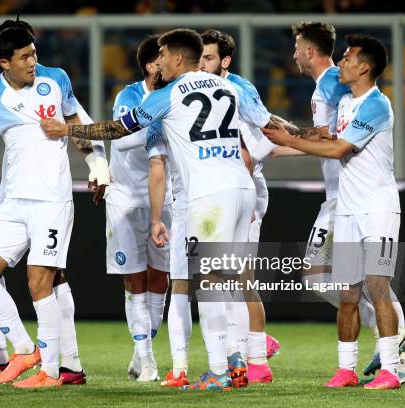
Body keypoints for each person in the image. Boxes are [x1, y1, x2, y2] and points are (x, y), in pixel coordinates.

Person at [42, 28, 255, 391]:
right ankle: (225, 361)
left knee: (201, 284)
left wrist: (68, 131)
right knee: (215, 283)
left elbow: (121, 130)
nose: (161, 60)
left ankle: (218, 370)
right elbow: (260, 133)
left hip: (201, 198)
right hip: (229, 191)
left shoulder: (169, 95)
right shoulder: (228, 87)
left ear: (174, 59)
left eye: (165, 53)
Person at [0, 19, 108, 385]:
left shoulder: (56, 80)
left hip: (51, 201)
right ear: (4, 62)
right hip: (11, 203)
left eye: (34, 53)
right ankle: (25, 350)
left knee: (40, 280)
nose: (32, 62)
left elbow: (77, 124)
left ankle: (53, 371)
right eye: (24, 57)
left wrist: (96, 164)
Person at [262, 34, 404, 390]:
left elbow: (339, 147)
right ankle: (346, 369)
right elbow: (326, 134)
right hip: (348, 211)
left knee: (378, 287)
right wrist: (283, 134)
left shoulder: (377, 104)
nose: (341, 62)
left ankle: (392, 368)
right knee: (347, 294)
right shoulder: (345, 105)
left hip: (377, 208)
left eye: (348, 58)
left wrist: (289, 141)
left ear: (365, 67)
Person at [199, 29, 286, 384]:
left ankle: (255, 357)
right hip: (223, 189)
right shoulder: (199, 88)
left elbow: (259, 139)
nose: (201, 64)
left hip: (241, 188)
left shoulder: (238, 89)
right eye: (199, 57)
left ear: (225, 61)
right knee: (225, 278)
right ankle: (249, 351)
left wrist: (307, 138)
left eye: (207, 57)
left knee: (238, 276)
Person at [106, 35, 172, 382]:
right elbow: (124, 135)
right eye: (165, 58)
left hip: (165, 196)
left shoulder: (176, 94)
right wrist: (158, 127)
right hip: (126, 197)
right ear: (151, 66)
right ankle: (148, 360)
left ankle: (140, 350)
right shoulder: (129, 95)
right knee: (135, 279)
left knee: (161, 279)